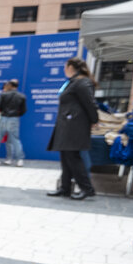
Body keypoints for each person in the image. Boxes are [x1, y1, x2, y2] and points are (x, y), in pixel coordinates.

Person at [47, 57, 99, 200]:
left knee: (73, 157)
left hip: (75, 126)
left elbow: (90, 103)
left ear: (71, 67)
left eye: (65, 66)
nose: (64, 69)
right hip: (68, 125)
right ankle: (65, 188)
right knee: (66, 157)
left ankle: (87, 189)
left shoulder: (82, 82)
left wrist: (94, 120)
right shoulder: (73, 82)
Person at [0, 78, 26, 166]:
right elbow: (24, 110)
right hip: (14, 119)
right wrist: (16, 115)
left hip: (3, 117)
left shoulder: (4, 95)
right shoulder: (21, 96)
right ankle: (20, 160)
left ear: (10, 85)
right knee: (15, 140)